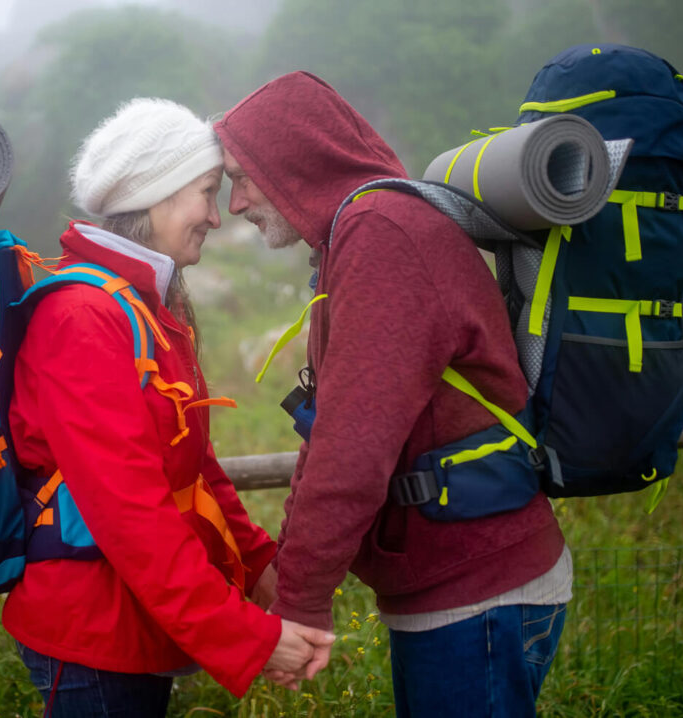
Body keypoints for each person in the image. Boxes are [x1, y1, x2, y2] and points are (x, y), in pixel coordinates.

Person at [214, 72, 572, 716]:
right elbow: (329, 435)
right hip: (458, 589)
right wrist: (293, 584)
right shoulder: (357, 234)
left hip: (476, 596)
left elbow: (353, 451)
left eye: (241, 176)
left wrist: (299, 602)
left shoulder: (383, 237)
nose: (235, 203)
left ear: (291, 161)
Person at [2, 97, 334, 717]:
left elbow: (195, 467)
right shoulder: (85, 317)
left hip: (135, 626)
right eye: (206, 191)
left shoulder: (144, 306)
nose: (216, 214)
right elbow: (130, 513)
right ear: (154, 193)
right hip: (92, 635)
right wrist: (248, 637)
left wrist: (265, 569)